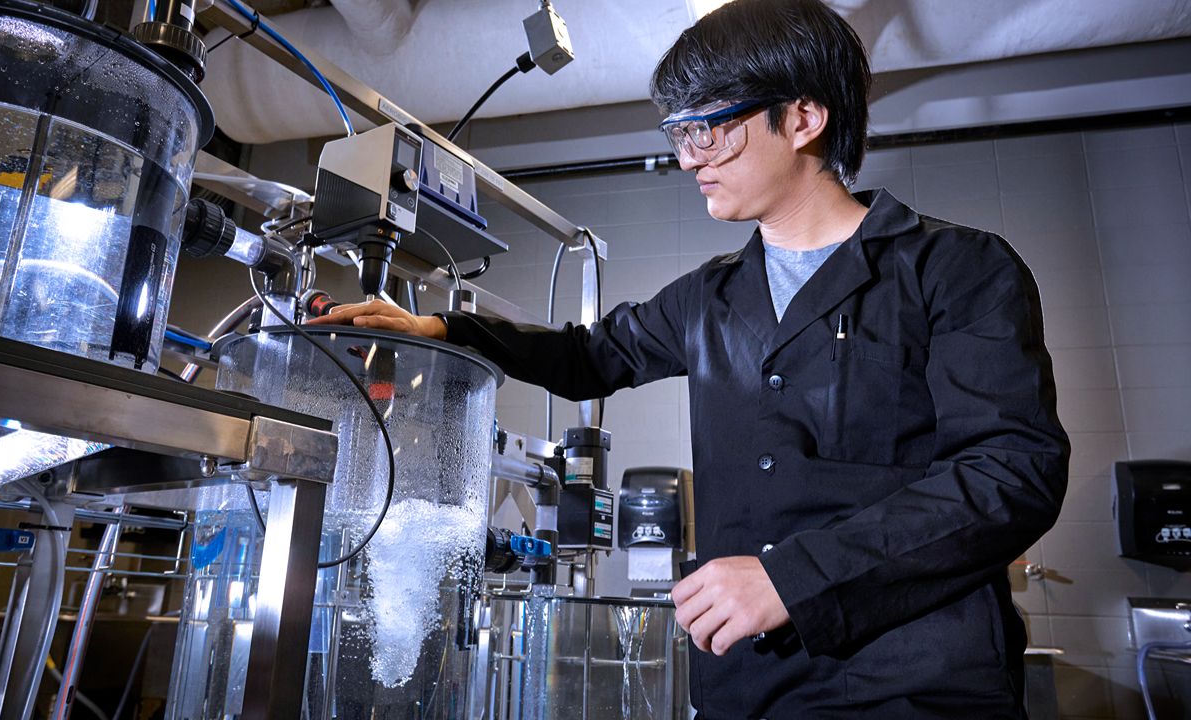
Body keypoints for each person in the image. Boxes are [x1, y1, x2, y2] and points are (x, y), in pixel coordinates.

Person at [310, 0, 1069, 716]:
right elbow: (588, 357)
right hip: (748, 681)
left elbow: (1011, 472)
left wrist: (793, 578)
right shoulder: (710, 297)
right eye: (680, 134)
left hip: (913, 681)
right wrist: (452, 331)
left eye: (708, 130)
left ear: (803, 117)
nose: (688, 159)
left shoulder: (955, 268)